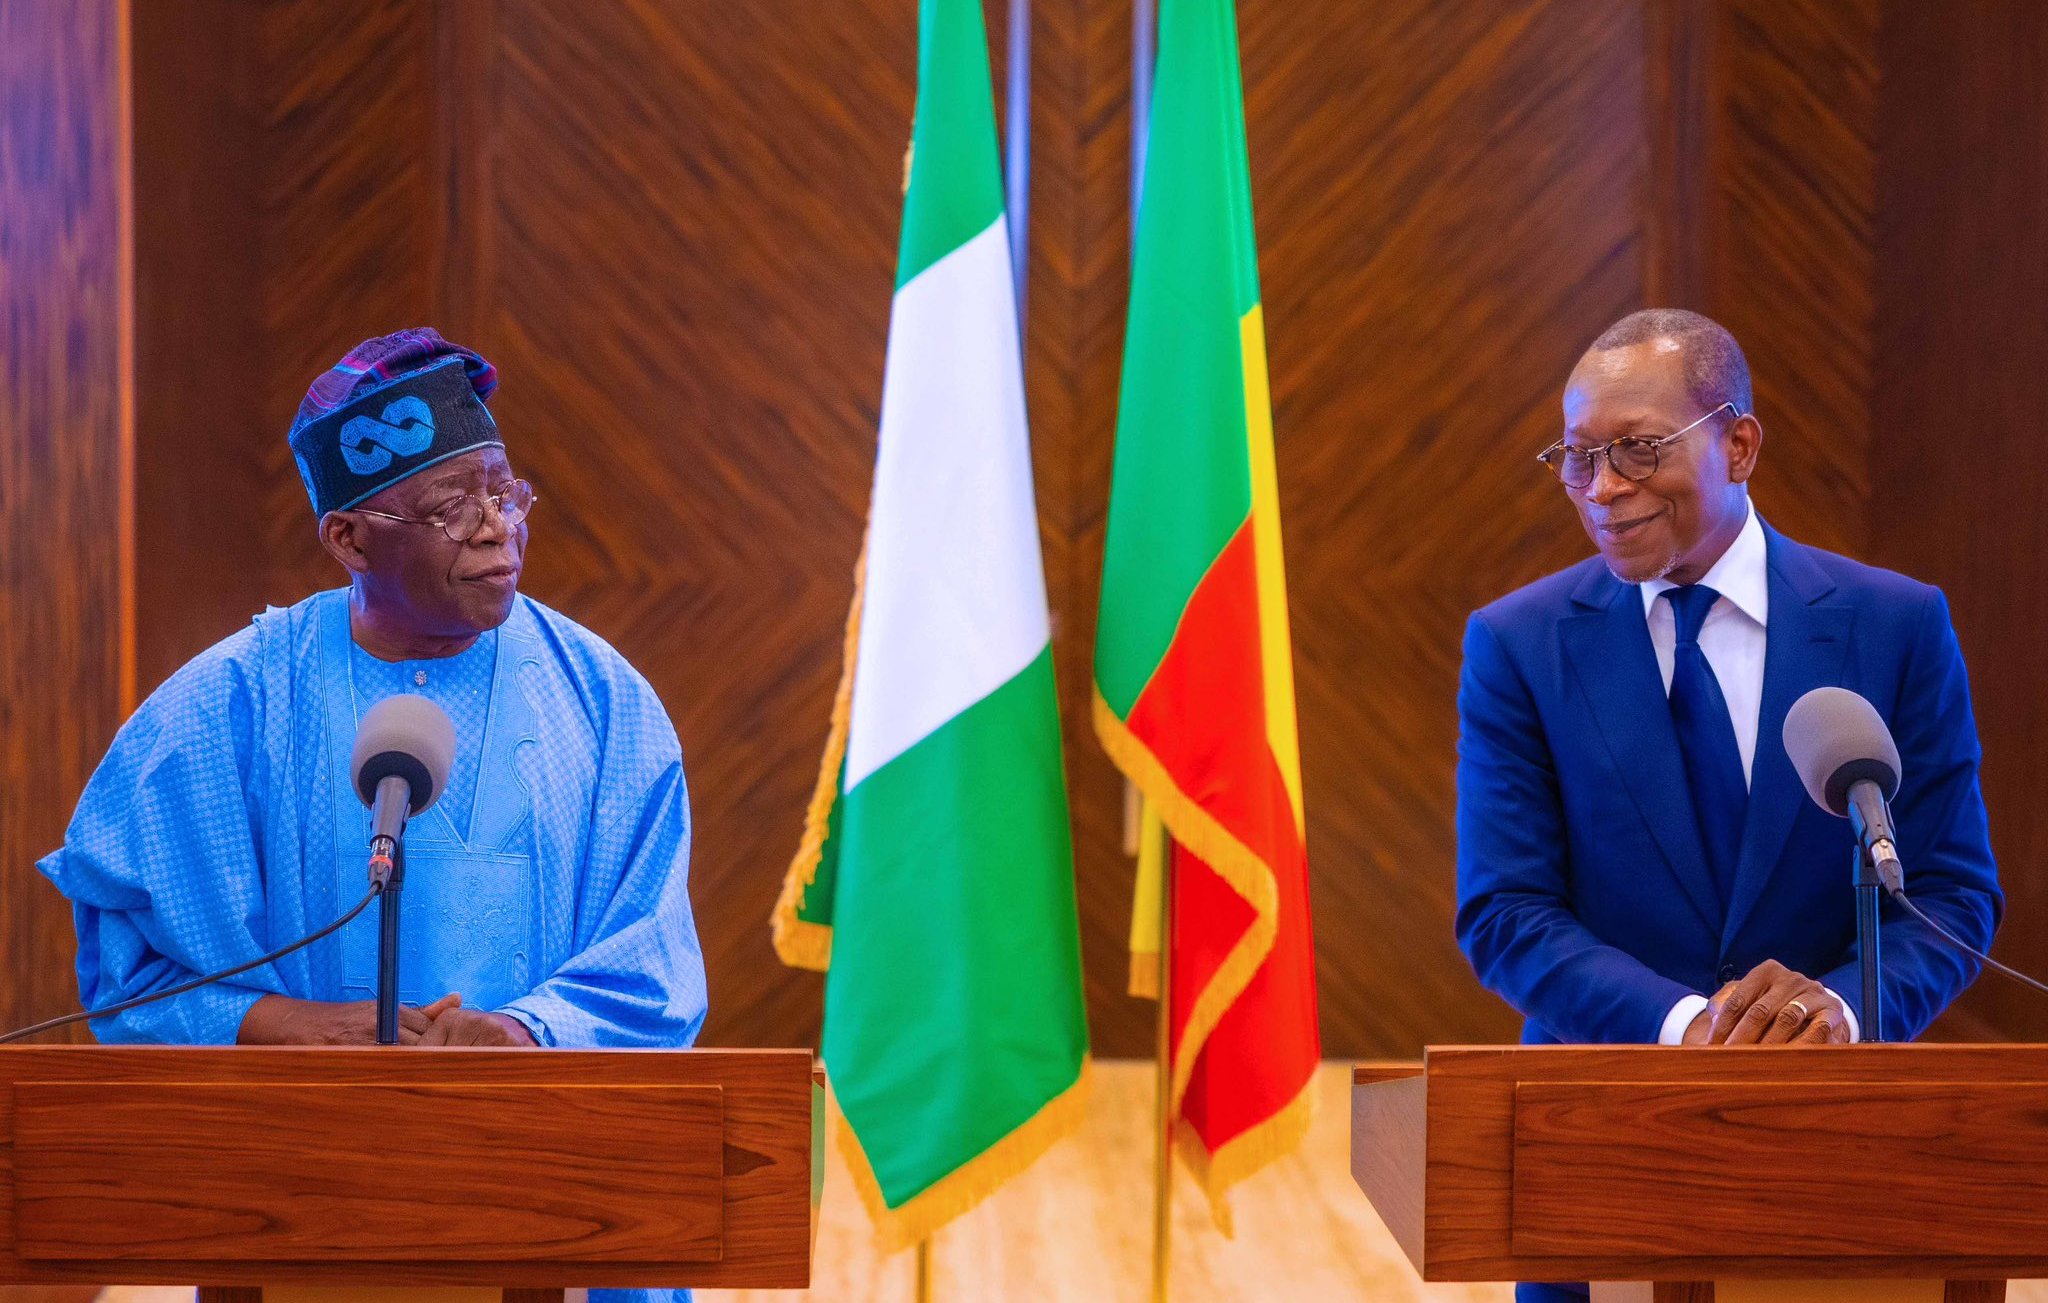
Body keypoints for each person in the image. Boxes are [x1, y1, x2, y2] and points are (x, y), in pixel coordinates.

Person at [1453, 309, 2003, 1303]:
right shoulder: (1518, 646)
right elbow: (1504, 913)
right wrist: (1688, 1029)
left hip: (1843, 1173)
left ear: (1737, 443)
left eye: (1634, 449)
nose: (1601, 487)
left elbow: (1949, 896)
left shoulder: (1894, 626)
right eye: (1576, 458)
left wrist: (1832, 1012)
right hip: (1599, 1161)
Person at [39, 327, 705, 1056]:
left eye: (505, 495)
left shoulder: (605, 702)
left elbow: (652, 962)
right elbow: (132, 973)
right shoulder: (226, 707)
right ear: (349, 540)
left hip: (539, 1145)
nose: (498, 532)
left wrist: (524, 1032)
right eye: (453, 508)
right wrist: (285, 1023)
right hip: (299, 1149)